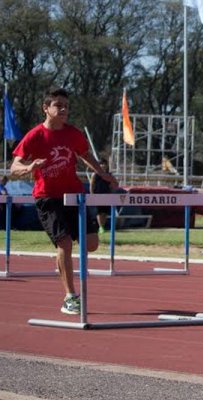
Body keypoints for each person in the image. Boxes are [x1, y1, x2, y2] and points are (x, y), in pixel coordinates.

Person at [11, 87, 118, 315]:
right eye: (58, 105)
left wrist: (102, 172)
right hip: (48, 197)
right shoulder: (35, 136)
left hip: (74, 196)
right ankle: (70, 297)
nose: (63, 109)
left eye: (66, 106)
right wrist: (29, 167)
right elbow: (14, 167)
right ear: (46, 108)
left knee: (91, 244)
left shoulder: (73, 134)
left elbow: (85, 154)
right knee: (66, 244)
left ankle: (62, 262)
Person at [90, 158, 115, 234]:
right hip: (98, 194)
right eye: (101, 164)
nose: (103, 165)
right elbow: (92, 185)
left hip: (107, 194)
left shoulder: (109, 174)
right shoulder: (95, 174)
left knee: (105, 212)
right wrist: (92, 194)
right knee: (99, 212)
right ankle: (100, 227)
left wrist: (111, 192)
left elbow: (112, 185)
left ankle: (102, 226)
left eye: (104, 164)